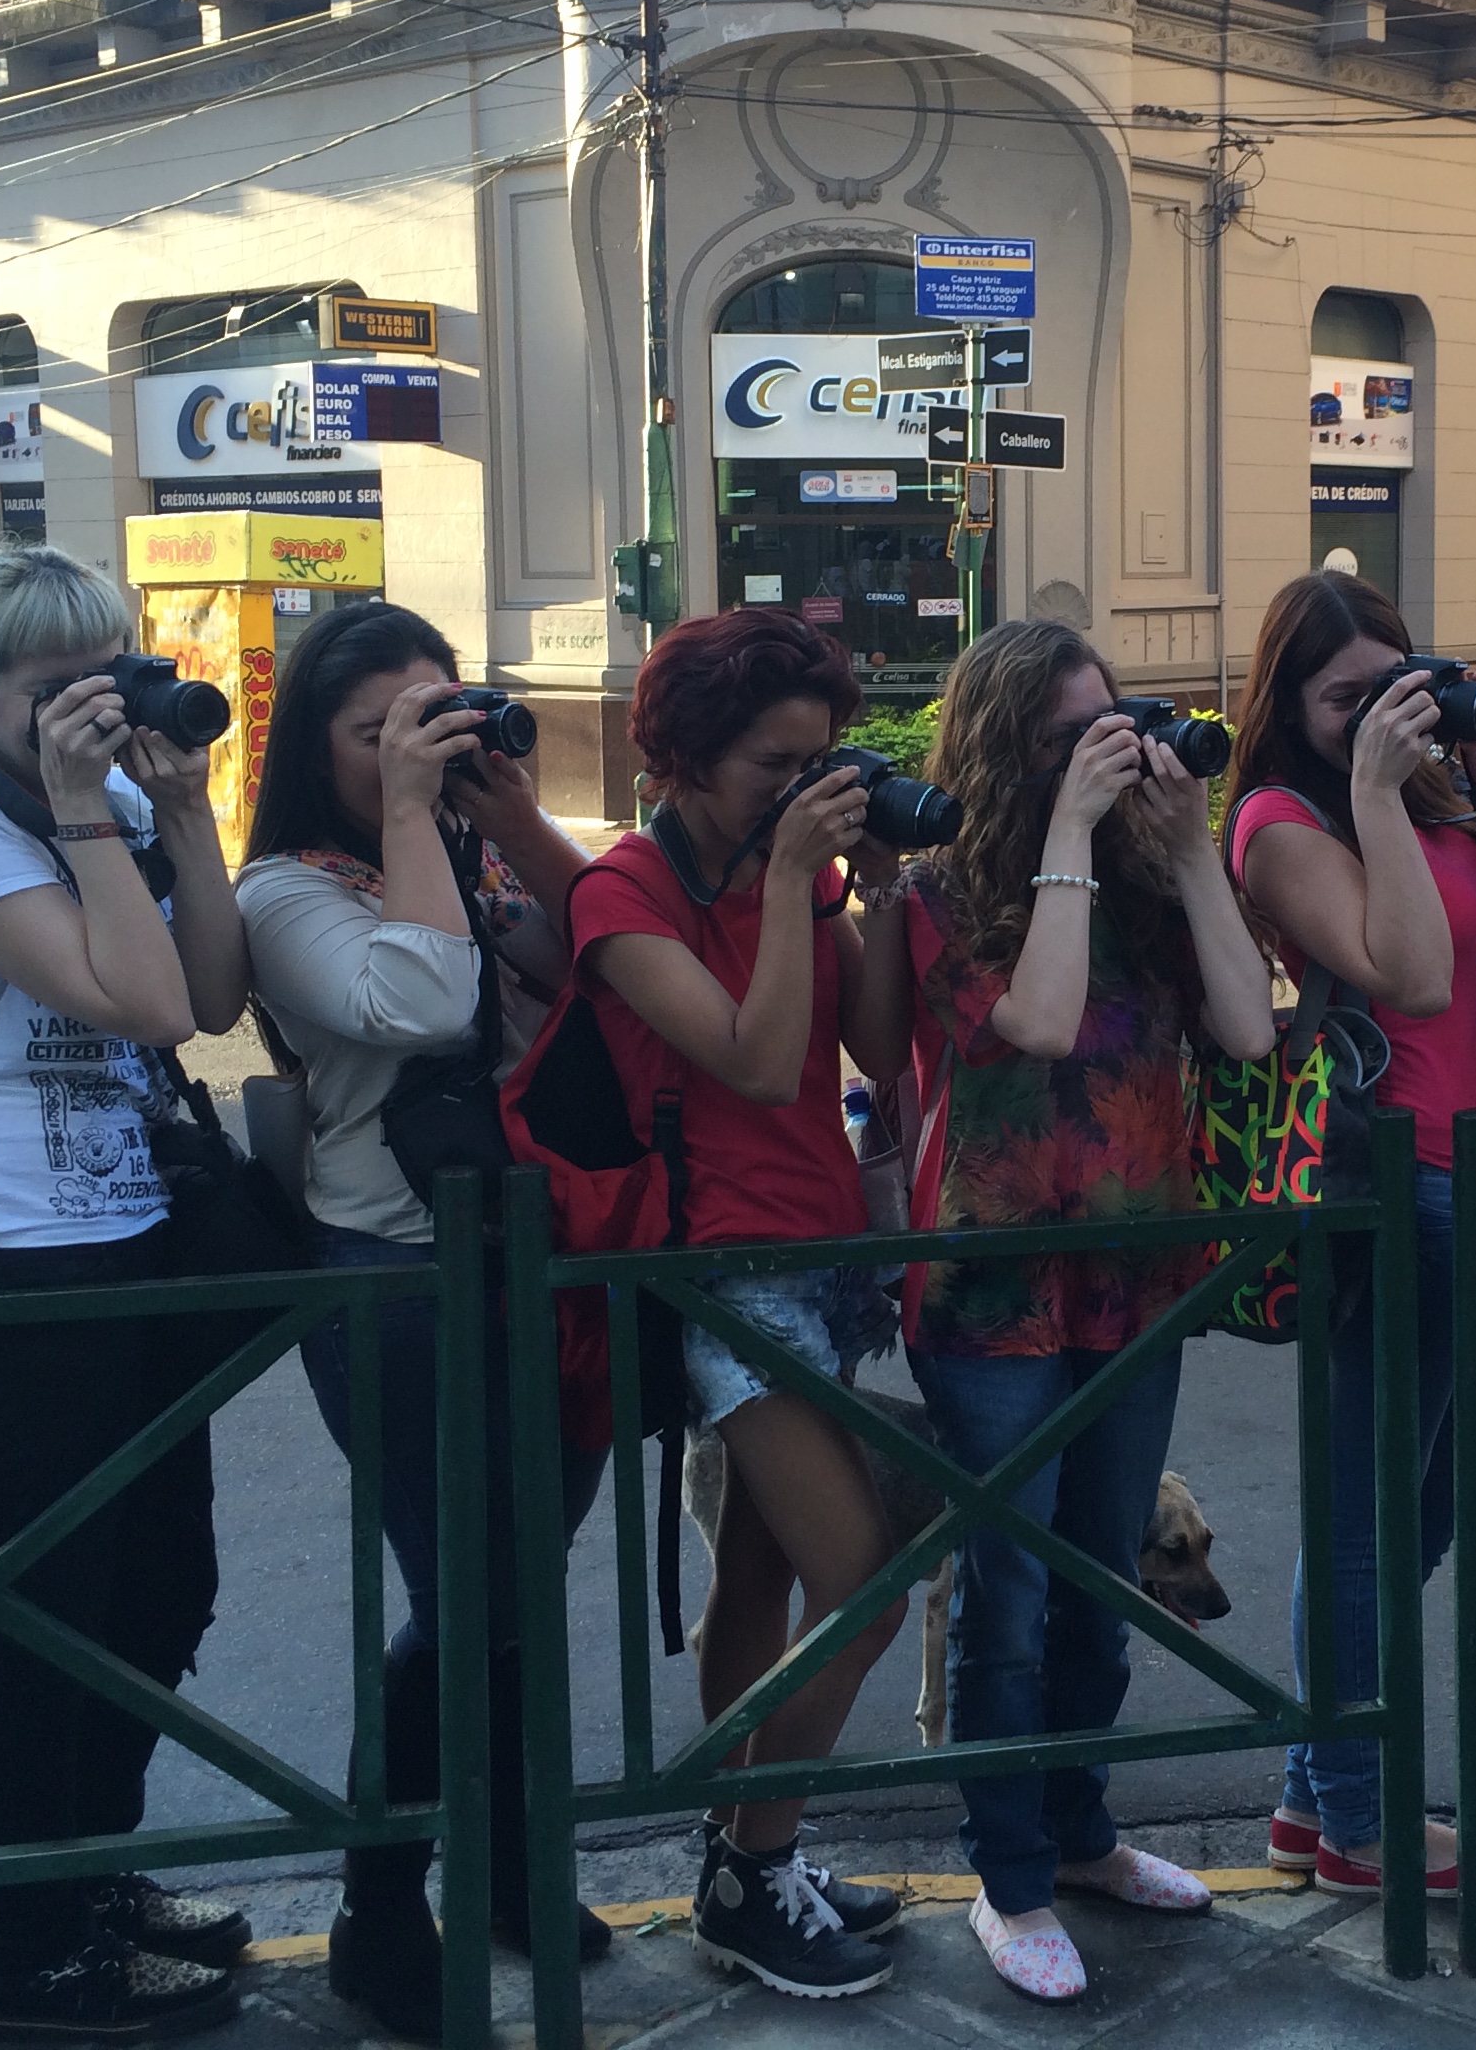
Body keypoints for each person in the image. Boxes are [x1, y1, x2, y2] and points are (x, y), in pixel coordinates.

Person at [0, 543, 257, 2043]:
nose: (89, 712)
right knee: (49, 1612)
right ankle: (35, 1955)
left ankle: (101, 1875)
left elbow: (217, 999)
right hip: (14, 1269)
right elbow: (149, 1000)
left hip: (139, 1245)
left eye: (104, 675)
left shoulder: (101, 812)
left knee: (164, 1583)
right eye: (53, 689)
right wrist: (80, 811)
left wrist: (180, 817)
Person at [232, 605, 601, 2037]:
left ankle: (504, 1871)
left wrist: (503, 816)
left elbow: (599, 972)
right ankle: (379, 1910)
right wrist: (411, 816)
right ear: (316, 753)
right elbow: (423, 995)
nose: (412, 744)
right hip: (392, 1282)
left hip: (541, 1253)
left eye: (434, 711)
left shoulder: (477, 846)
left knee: (514, 1605)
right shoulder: (286, 891)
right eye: (373, 727)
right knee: (469, 1610)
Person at [897, 621, 1277, 2001]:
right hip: (989, 1289)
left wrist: (1188, 854)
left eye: (1110, 725)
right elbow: (1043, 1021)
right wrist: (1068, 824)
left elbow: (1248, 1026)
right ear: (1009, 748)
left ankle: (1080, 1838)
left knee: (1101, 1588)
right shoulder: (936, 892)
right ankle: (1004, 1880)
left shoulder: (1141, 889)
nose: (1105, 751)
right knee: (1005, 1603)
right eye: (1069, 734)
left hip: (1131, 1283)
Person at [571, 608, 914, 1999]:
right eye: (777, 763)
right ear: (684, 759)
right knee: (868, 1585)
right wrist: (791, 882)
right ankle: (754, 1873)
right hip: (728, 1274)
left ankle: (745, 1847)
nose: (804, 785)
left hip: (828, 1257)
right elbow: (764, 1068)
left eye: (820, 759)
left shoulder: (802, 881)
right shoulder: (624, 896)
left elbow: (876, 1054)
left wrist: (875, 888)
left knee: (765, 1580)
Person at [1226, 570, 1476, 1900]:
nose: (1376, 715)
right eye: (1344, 697)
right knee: (1372, 1518)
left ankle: (1317, 1799)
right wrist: (1373, 787)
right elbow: (1415, 975)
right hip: (1381, 1188)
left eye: (1392, 685)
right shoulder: (1277, 820)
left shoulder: (1426, 792)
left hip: (1462, 1179)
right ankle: (1365, 1817)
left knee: (1420, 1512)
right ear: (1292, 706)